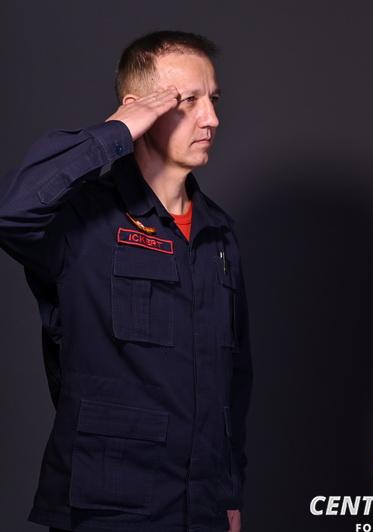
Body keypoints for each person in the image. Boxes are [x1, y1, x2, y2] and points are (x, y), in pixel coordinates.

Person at [0, 31, 252, 532]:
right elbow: (13, 212)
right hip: (109, 506)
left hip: (201, 506)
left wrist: (229, 490)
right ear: (140, 110)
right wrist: (116, 130)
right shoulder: (84, 219)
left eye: (213, 99)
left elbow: (234, 376)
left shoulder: (218, 232)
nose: (211, 118)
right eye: (188, 101)